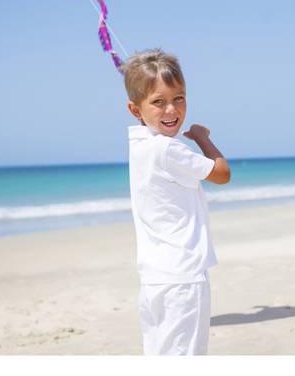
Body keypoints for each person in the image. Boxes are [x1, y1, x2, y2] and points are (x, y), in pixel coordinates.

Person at [123, 49, 230, 357]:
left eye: (179, 98)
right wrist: (201, 138)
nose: (171, 109)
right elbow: (222, 173)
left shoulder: (139, 144)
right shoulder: (168, 151)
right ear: (136, 110)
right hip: (183, 277)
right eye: (158, 101)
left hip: (156, 278)